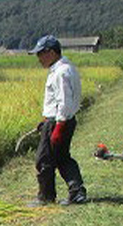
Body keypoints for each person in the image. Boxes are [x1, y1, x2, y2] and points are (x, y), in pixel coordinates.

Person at [29, 35, 87, 206]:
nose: (39, 58)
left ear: (52, 52)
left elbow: (64, 101)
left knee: (44, 160)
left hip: (59, 122)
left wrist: (58, 126)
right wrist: (46, 119)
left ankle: (46, 196)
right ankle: (77, 192)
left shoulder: (61, 72)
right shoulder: (66, 68)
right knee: (62, 158)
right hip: (61, 120)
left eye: (41, 54)